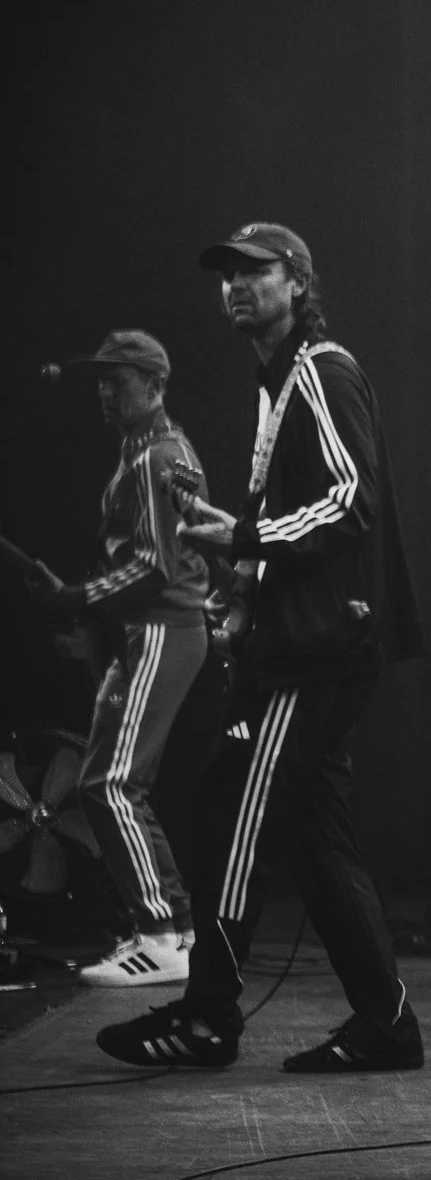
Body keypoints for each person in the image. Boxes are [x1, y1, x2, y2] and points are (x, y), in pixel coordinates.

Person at [96, 222, 425, 1072]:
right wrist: (241, 572)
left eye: (256, 271)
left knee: (229, 812)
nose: (236, 285)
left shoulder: (321, 371)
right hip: (309, 640)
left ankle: (209, 1016)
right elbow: (302, 513)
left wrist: (246, 536)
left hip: (316, 651)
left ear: (298, 284)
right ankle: (387, 1026)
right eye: (227, 275)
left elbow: (350, 500)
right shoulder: (278, 381)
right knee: (317, 838)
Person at [27, 331, 210, 987]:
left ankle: (161, 937)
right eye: (101, 381)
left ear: (155, 386)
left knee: (110, 783)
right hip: (142, 632)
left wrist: (78, 596)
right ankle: (174, 932)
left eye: (119, 380)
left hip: (162, 628)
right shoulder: (146, 452)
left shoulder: (160, 455)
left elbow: (159, 566)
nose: (104, 391)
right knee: (108, 783)